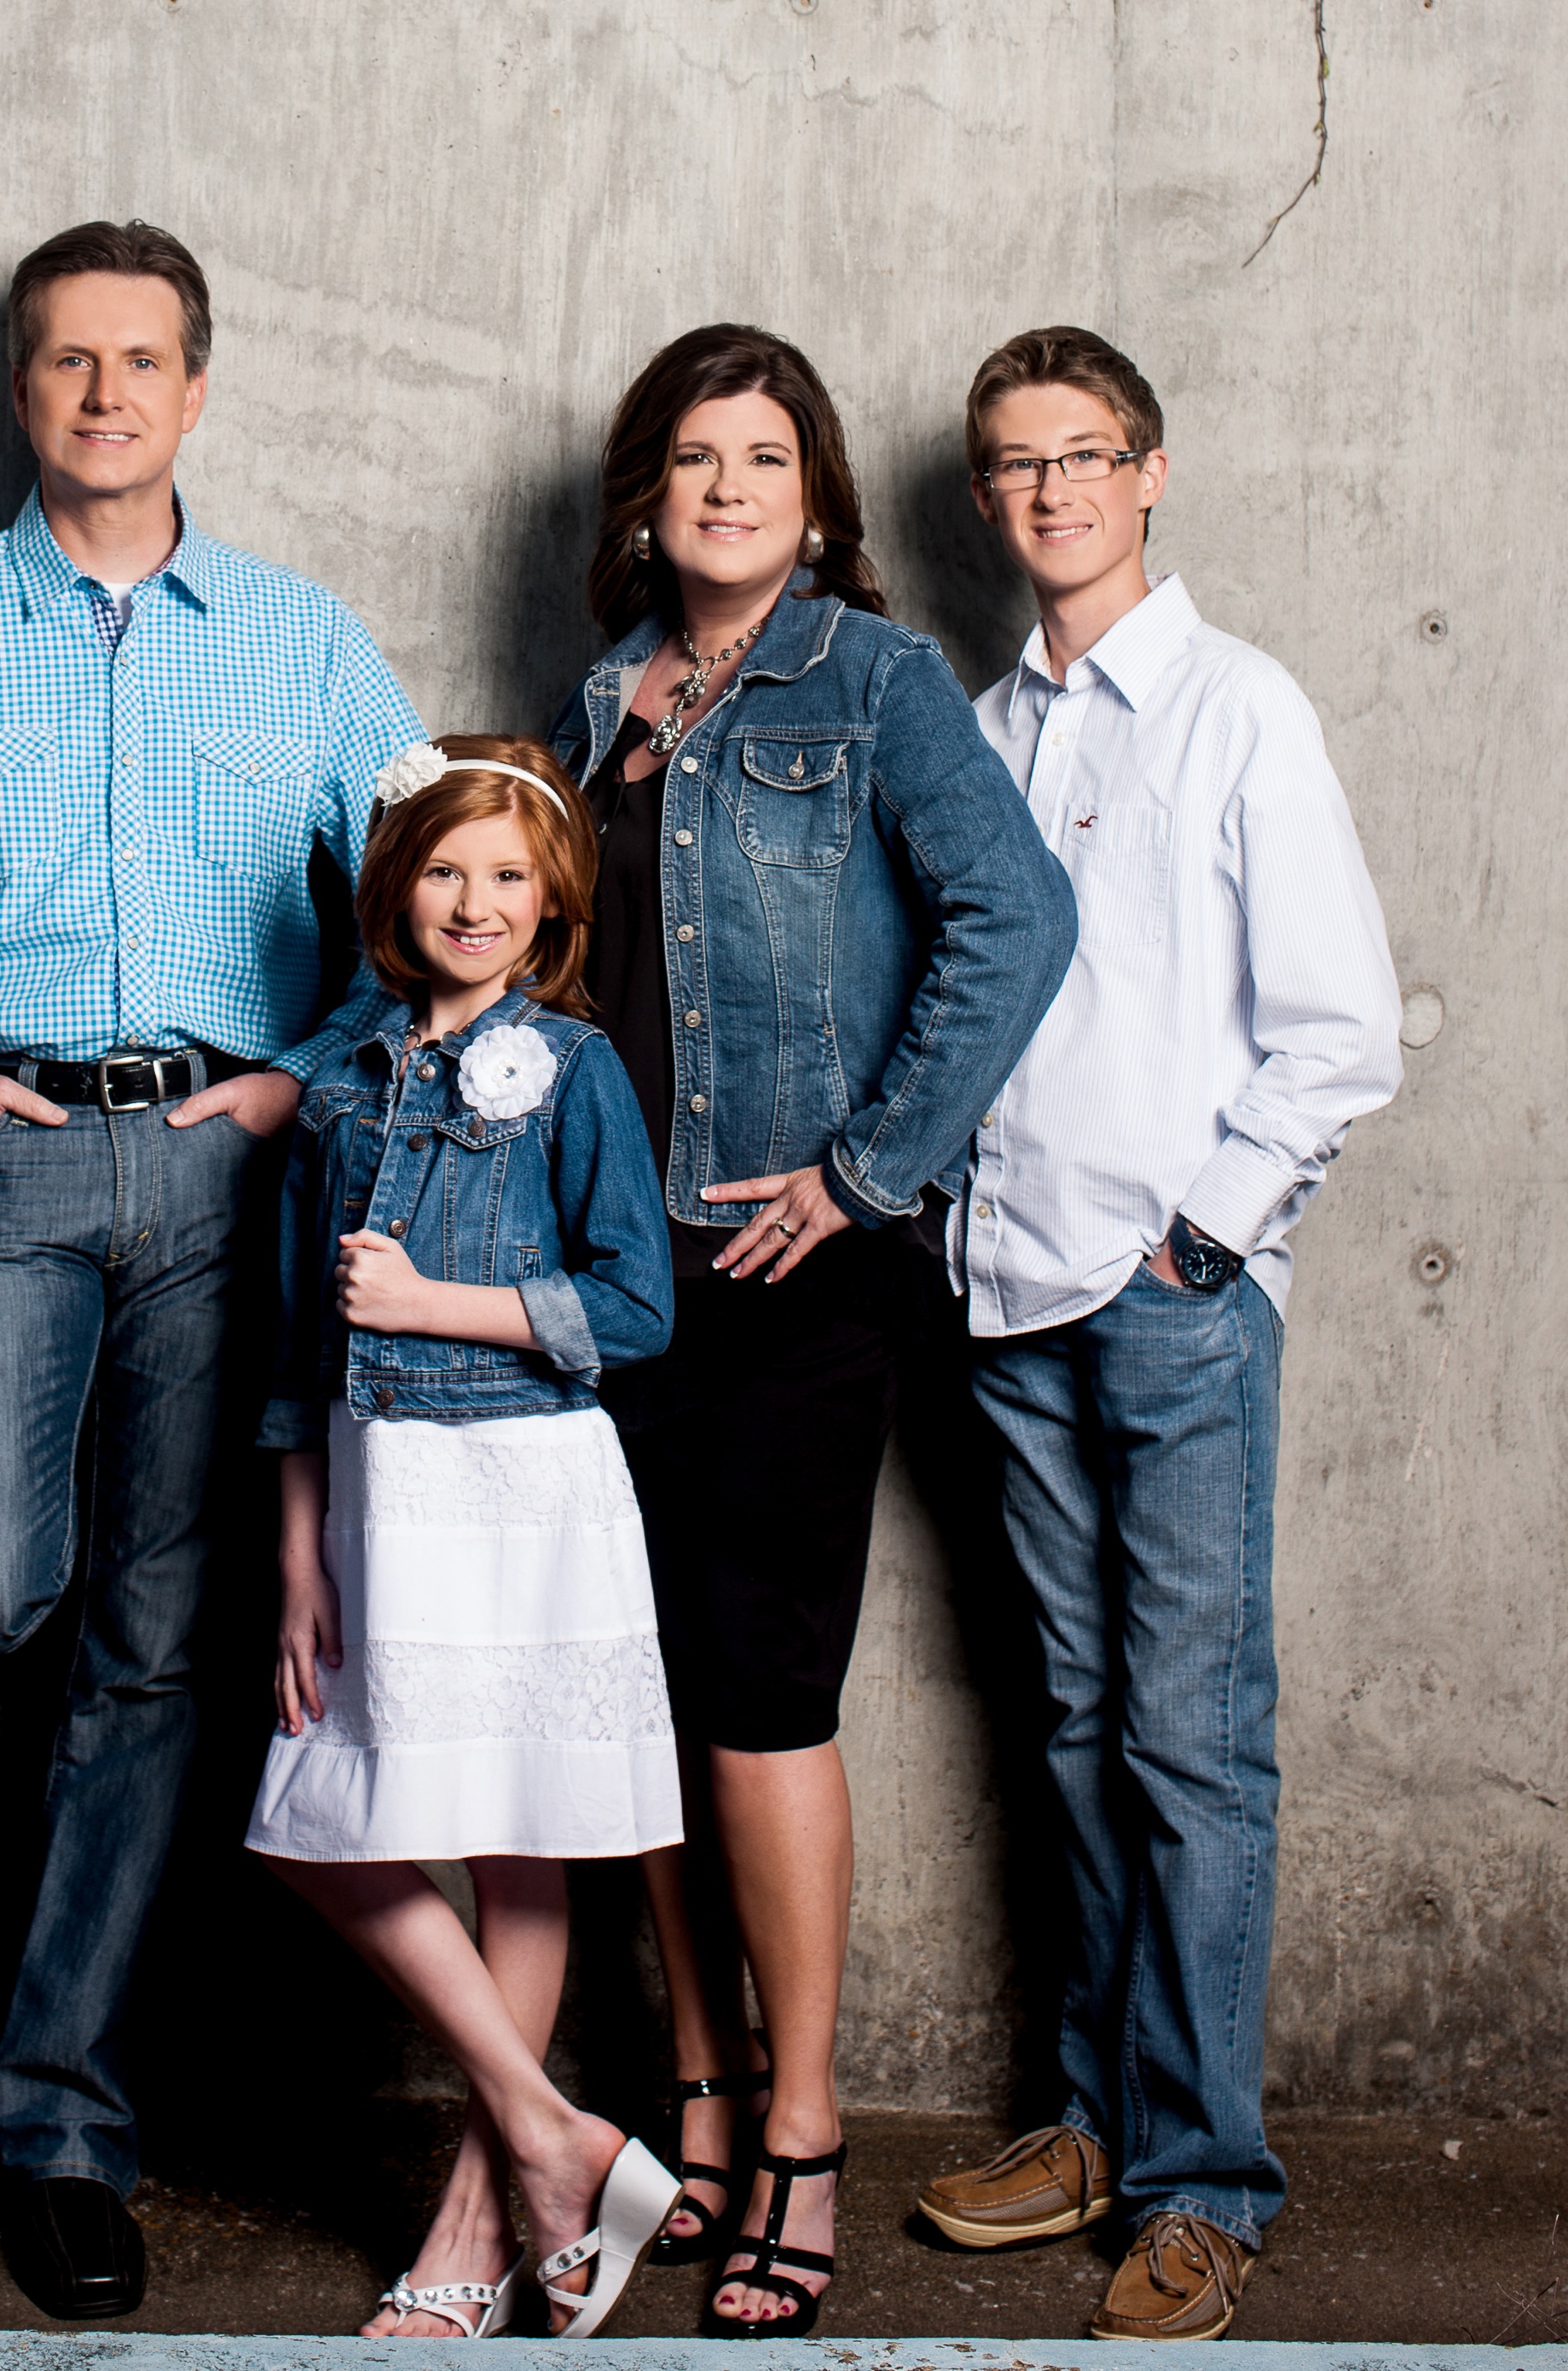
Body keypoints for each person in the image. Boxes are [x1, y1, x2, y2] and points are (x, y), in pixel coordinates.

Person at [0, 217, 423, 2324]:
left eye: (143, 359)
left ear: (196, 389)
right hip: (8, 1164)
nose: (108, 391)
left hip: (233, 1171)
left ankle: (57, 2124)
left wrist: (296, 1083)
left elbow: (438, 909)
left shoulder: (308, 645)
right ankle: (65, 2059)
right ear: (18, 388)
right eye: (68, 359)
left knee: (153, 1656)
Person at [550, 322, 1077, 2339]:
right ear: (646, 492)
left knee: (763, 1697)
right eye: (695, 454)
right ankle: (694, 2082)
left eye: (764, 455)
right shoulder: (603, 698)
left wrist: (868, 1168)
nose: (727, 485)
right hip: (613, 1271)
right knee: (644, 1697)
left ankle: (801, 2119)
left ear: (819, 496)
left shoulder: (875, 679)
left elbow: (1015, 916)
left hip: (792, 1273)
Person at [913, 327, 1401, 2343]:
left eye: (1086, 453)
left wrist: (1201, 1241)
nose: (1054, 491)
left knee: (1193, 1745)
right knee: (1078, 1728)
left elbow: (1338, 1028)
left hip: (1169, 1297)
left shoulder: (1237, 705)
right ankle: (1099, 2122)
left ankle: (1207, 2181)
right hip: (1006, 1291)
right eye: (1019, 463)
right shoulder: (978, 724)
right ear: (985, 496)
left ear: (1150, 471)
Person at [249, 732, 684, 2343]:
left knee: (518, 1835)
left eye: (507, 874)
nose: (474, 900)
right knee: (314, 1827)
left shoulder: (573, 1070)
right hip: (380, 1493)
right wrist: (298, 1555)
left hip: (528, 1488)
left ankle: (474, 2224)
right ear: (395, 887)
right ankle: (555, 2133)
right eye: (444, 868)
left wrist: (440, 1303)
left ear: (551, 898)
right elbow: (296, 1352)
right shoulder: (336, 1090)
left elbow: (633, 1306)